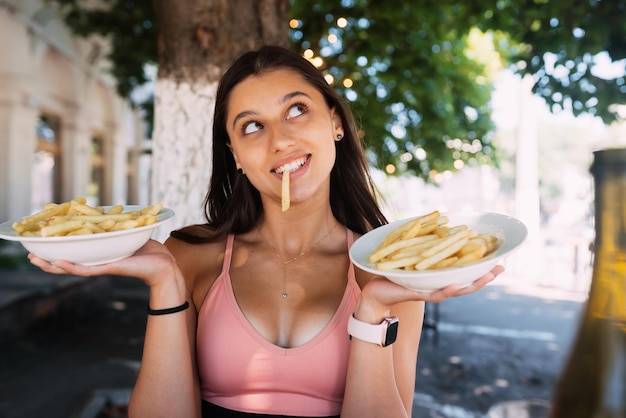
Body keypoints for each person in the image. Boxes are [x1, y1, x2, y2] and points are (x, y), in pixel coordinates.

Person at [29, 45, 504, 418]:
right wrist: (164, 281)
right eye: (252, 126)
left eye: (297, 110)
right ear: (234, 152)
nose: (280, 140)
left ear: (335, 122)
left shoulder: (390, 270)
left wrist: (375, 307)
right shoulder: (190, 256)